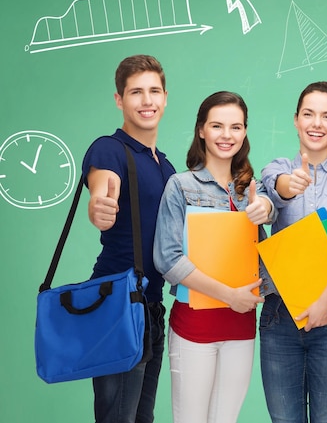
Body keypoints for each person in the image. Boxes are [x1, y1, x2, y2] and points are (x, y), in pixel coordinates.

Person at [153, 91, 275, 423]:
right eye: (217, 125)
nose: (226, 135)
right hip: (195, 326)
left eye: (236, 127)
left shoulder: (252, 188)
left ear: (245, 132)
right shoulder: (180, 186)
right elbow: (168, 259)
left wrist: (263, 207)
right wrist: (229, 296)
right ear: (202, 130)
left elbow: (269, 208)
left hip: (241, 326)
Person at [259, 81, 327, 423]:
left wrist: (325, 302)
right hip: (280, 319)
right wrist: (286, 186)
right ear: (296, 120)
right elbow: (271, 189)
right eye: (308, 114)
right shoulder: (279, 168)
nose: (316, 123)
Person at [82, 54, 176, 423]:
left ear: (165, 98)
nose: (147, 100)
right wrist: (99, 207)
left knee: (141, 418)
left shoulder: (164, 165)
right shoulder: (109, 149)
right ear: (120, 100)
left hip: (151, 305)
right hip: (118, 303)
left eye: (154, 91)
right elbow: (102, 189)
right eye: (136, 92)